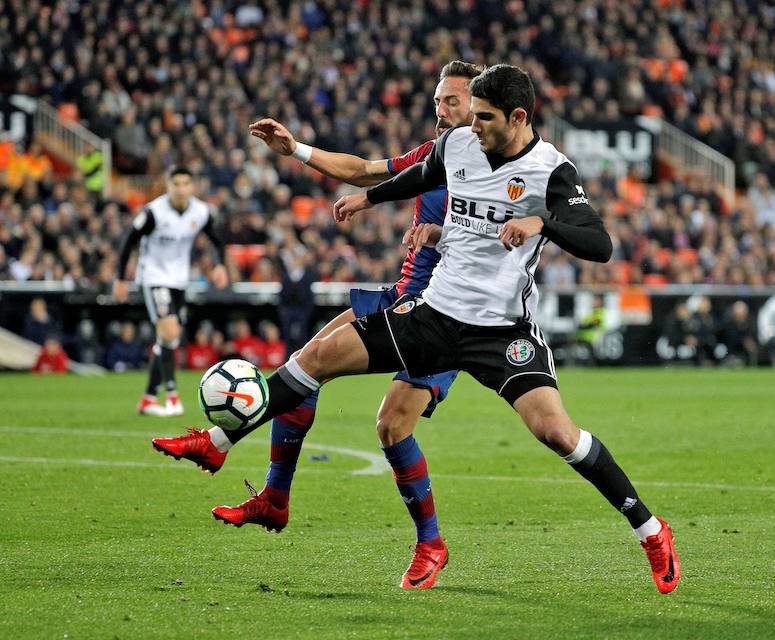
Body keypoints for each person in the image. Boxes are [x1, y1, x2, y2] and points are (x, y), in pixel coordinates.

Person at [159, 64, 680, 594]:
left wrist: (540, 222)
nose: (469, 126)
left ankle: (651, 530)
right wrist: (371, 197)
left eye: (483, 117)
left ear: (518, 117)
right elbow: (417, 174)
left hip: (500, 332)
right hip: (432, 315)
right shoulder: (458, 145)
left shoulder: (550, 170)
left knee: (557, 433)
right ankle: (219, 440)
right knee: (317, 358)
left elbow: (600, 244)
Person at [152, 61, 481, 589]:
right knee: (305, 362)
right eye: (438, 101)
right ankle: (273, 497)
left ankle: (430, 544)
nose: (442, 112)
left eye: (454, 102)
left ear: (480, 107)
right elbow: (366, 169)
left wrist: (439, 235)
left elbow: (497, 236)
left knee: (391, 425)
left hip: (449, 314)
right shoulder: (438, 151)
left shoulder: (495, 166)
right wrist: (298, 149)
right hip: (401, 296)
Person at [114, 167, 228, 416]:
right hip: (153, 277)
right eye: (176, 183)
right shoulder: (154, 212)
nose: (181, 188)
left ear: (192, 186)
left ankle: (148, 399)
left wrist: (220, 265)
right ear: (168, 186)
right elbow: (128, 241)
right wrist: (120, 278)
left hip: (179, 280)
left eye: (186, 183)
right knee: (170, 331)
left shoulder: (200, 211)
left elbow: (217, 239)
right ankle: (172, 396)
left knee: (168, 340)